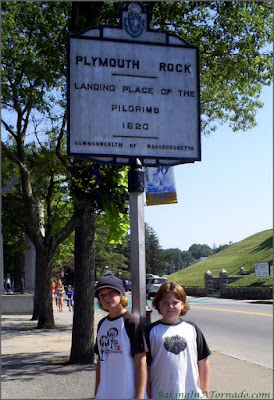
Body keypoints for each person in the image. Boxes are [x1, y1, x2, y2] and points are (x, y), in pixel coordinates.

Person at [146, 281, 210, 399]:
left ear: (183, 304)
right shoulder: (151, 331)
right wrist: (148, 395)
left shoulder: (192, 329)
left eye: (175, 303)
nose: (170, 307)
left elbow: (203, 361)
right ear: (158, 304)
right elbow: (146, 368)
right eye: (165, 303)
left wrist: (203, 391)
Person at [94, 275, 147, 399]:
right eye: (102, 295)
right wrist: (97, 392)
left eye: (111, 293)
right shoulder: (102, 324)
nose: (106, 298)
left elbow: (141, 361)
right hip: (106, 391)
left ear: (121, 295)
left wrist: (139, 396)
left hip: (127, 391)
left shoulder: (131, 322)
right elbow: (100, 361)